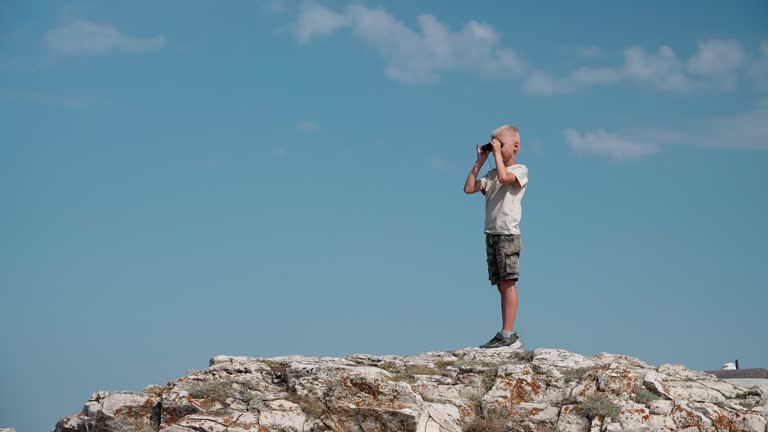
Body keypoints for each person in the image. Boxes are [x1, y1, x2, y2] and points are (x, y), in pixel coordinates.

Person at [463, 125, 528, 349]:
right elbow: (469, 188)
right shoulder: (491, 175)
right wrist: (480, 161)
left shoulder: (520, 170)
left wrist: (498, 154)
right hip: (492, 234)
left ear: (516, 146)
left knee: (508, 283)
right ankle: (505, 333)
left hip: (508, 233)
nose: (496, 149)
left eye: (501, 145)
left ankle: (508, 334)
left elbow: (504, 176)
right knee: (501, 284)